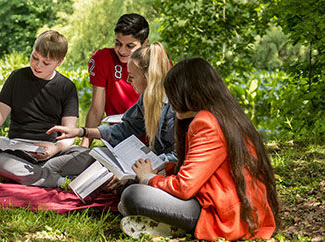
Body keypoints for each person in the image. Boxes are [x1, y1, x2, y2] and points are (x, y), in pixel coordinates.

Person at [118, 58, 278, 240]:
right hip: (233, 208)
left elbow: (185, 187)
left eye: (172, 94)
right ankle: (161, 224)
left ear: (187, 93)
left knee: (134, 195)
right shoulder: (226, 116)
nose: (170, 101)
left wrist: (149, 178)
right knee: (129, 194)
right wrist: (165, 169)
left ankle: (170, 226)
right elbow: (201, 169)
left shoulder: (206, 123)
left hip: (223, 215)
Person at [0, 30, 91, 188]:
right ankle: (53, 179)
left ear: (59, 62)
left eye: (45, 63)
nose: (37, 65)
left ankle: (12, 173)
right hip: (16, 148)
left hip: (49, 151)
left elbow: (69, 133)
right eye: (34, 57)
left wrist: (55, 148)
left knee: (87, 155)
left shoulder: (67, 87)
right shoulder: (17, 77)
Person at [47, 42, 175, 190]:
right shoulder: (146, 100)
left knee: (130, 193)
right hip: (147, 164)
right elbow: (125, 129)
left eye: (131, 76)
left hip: (166, 173)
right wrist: (82, 131)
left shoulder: (174, 106)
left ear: (148, 77)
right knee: (86, 157)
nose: (128, 81)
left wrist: (135, 172)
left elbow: (178, 157)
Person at [81, 13, 149, 148]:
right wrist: (84, 145)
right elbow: (96, 110)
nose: (122, 51)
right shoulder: (102, 59)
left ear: (144, 43)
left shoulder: (156, 63)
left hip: (151, 141)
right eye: (118, 44)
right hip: (118, 139)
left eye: (130, 46)